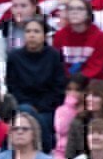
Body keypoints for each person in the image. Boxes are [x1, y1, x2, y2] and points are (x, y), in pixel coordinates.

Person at [6, 17, 67, 150]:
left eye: (36, 31)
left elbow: (58, 87)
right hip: (23, 105)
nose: (31, 35)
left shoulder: (54, 56)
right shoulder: (14, 57)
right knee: (25, 111)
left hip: (48, 106)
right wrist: (30, 107)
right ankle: (47, 148)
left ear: (44, 36)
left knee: (43, 119)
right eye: (28, 31)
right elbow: (13, 87)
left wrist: (41, 106)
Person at [53, 0, 103, 80]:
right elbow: (59, 64)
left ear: (88, 15)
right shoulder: (59, 35)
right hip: (66, 81)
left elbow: (96, 67)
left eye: (80, 9)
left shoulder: (100, 36)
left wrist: (76, 81)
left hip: (92, 81)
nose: (74, 12)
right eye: (70, 9)